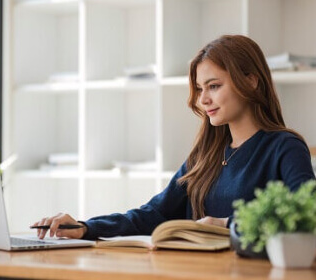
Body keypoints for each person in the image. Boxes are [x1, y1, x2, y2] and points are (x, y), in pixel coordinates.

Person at [32, 34, 315, 240]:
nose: (203, 99)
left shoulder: (284, 148)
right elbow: (153, 214)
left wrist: (227, 223)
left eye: (213, 86)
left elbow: (307, 215)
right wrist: (86, 227)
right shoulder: (205, 155)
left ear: (250, 82)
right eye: (200, 89)